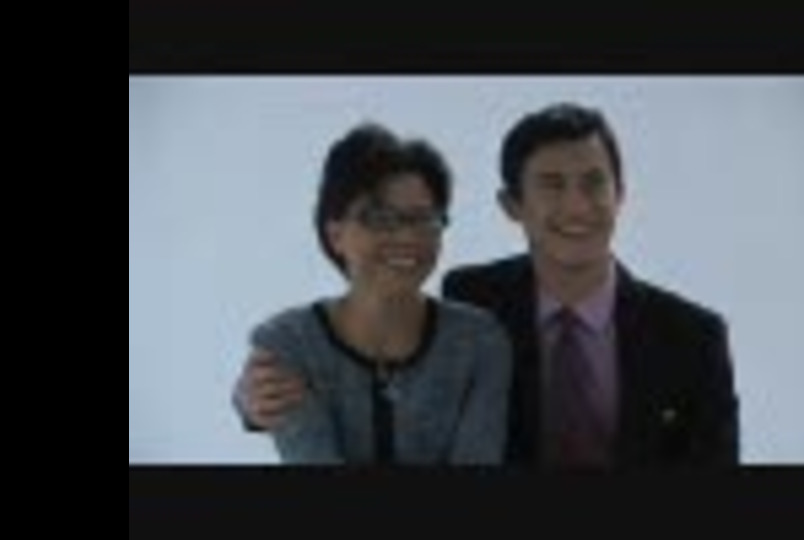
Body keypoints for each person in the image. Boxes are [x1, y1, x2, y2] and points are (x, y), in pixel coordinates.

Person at [235, 103, 739, 467]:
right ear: (511, 205)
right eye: (551, 185)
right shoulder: (477, 298)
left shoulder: (692, 337)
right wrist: (253, 401)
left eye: (594, 183)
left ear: (621, 194)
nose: (577, 206)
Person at [239, 123, 512, 465]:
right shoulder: (289, 342)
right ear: (335, 235)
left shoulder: (480, 341)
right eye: (379, 218)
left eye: (422, 218)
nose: (406, 237)